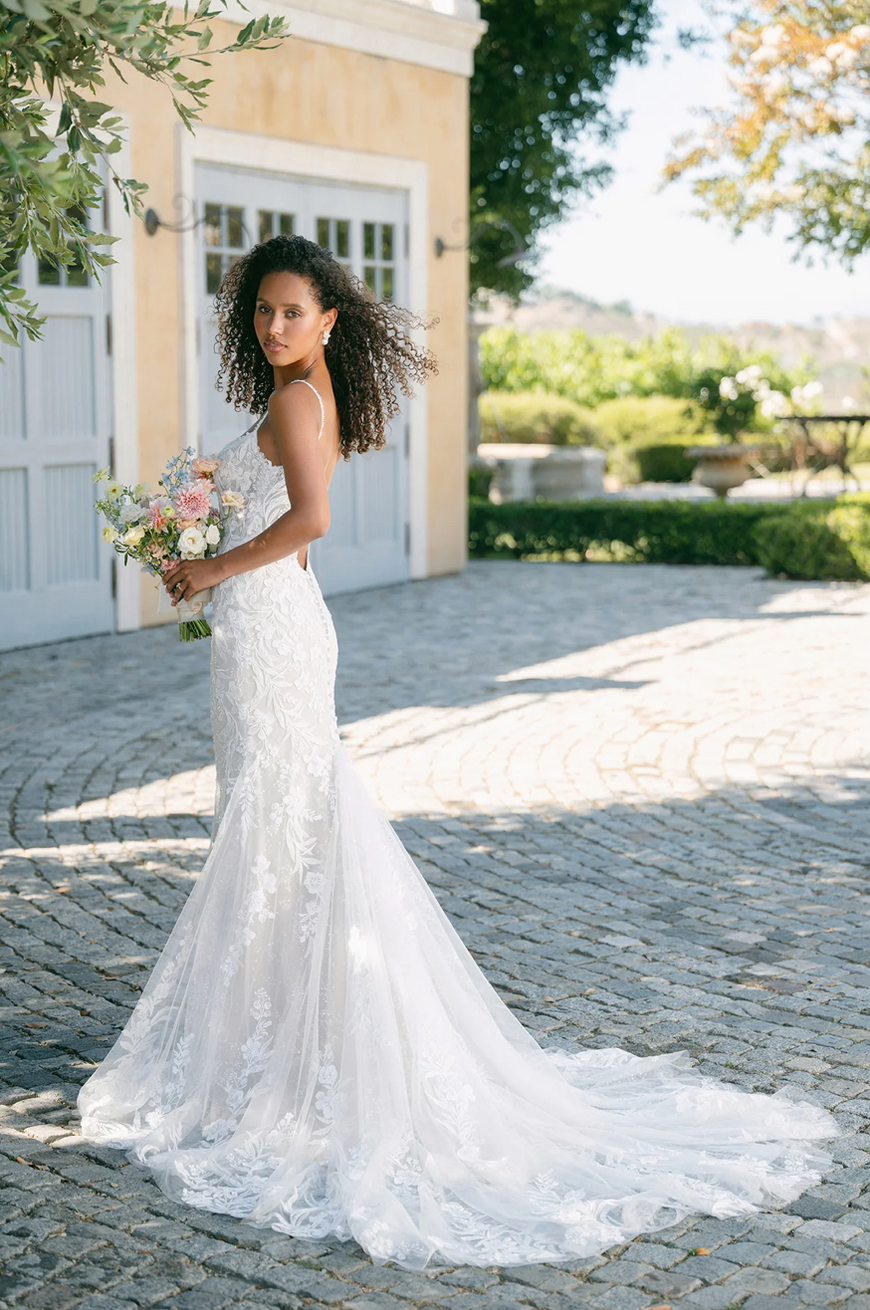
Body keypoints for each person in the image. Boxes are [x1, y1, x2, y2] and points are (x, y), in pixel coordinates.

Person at [78, 235, 836, 1270]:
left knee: (282, 827)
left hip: (272, 630)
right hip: (265, 628)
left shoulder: (301, 401)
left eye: (293, 310)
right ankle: (285, 1052)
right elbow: (278, 516)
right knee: (277, 825)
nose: (275, 325)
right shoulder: (294, 397)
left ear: (331, 318)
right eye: (262, 310)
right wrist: (197, 527)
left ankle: (284, 1066)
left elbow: (310, 518)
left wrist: (207, 564)